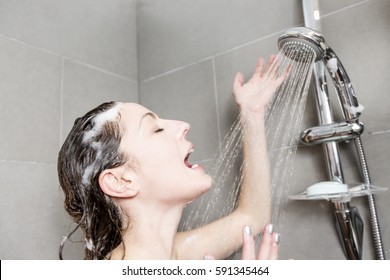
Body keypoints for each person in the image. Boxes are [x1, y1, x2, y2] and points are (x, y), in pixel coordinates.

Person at [57, 55, 286, 260]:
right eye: (156, 129)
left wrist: (252, 114)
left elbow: (252, 216)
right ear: (121, 181)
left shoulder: (174, 254)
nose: (183, 125)